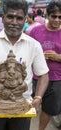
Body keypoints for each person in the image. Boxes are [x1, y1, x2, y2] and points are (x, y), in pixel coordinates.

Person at [0, 0, 49, 130]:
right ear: (3, 18)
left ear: (25, 20)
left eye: (19, 18)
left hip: (22, 106)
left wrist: (37, 97)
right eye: (10, 17)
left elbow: (43, 75)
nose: (14, 22)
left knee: (22, 85)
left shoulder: (34, 45)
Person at [29, 1, 61, 130]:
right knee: (32, 106)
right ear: (47, 15)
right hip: (36, 77)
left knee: (48, 109)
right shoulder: (35, 31)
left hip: (56, 79)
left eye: (60, 17)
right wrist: (38, 56)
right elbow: (26, 52)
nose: (57, 20)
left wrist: (57, 57)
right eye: (54, 16)